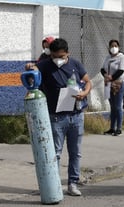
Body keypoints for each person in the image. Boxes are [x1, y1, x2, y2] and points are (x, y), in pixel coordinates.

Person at [35, 38, 92, 196]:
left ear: (67, 53)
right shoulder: (45, 65)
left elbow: (88, 82)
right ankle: (53, 183)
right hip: (56, 117)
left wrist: (84, 93)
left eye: (61, 56)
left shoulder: (75, 64)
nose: (57, 60)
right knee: (56, 152)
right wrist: (30, 67)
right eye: (54, 56)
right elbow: (32, 70)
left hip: (76, 115)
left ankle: (73, 183)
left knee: (75, 152)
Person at [101, 39, 124, 136]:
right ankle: (112, 128)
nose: (113, 48)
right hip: (108, 83)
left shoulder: (122, 57)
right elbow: (102, 69)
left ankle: (119, 128)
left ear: (118, 47)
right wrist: (106, 75)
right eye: (111, 46)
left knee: (117, 106)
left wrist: (112, 77)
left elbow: (121, 70)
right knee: (112, 107)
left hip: (118, 83)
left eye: (115, 46)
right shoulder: (108, 57)